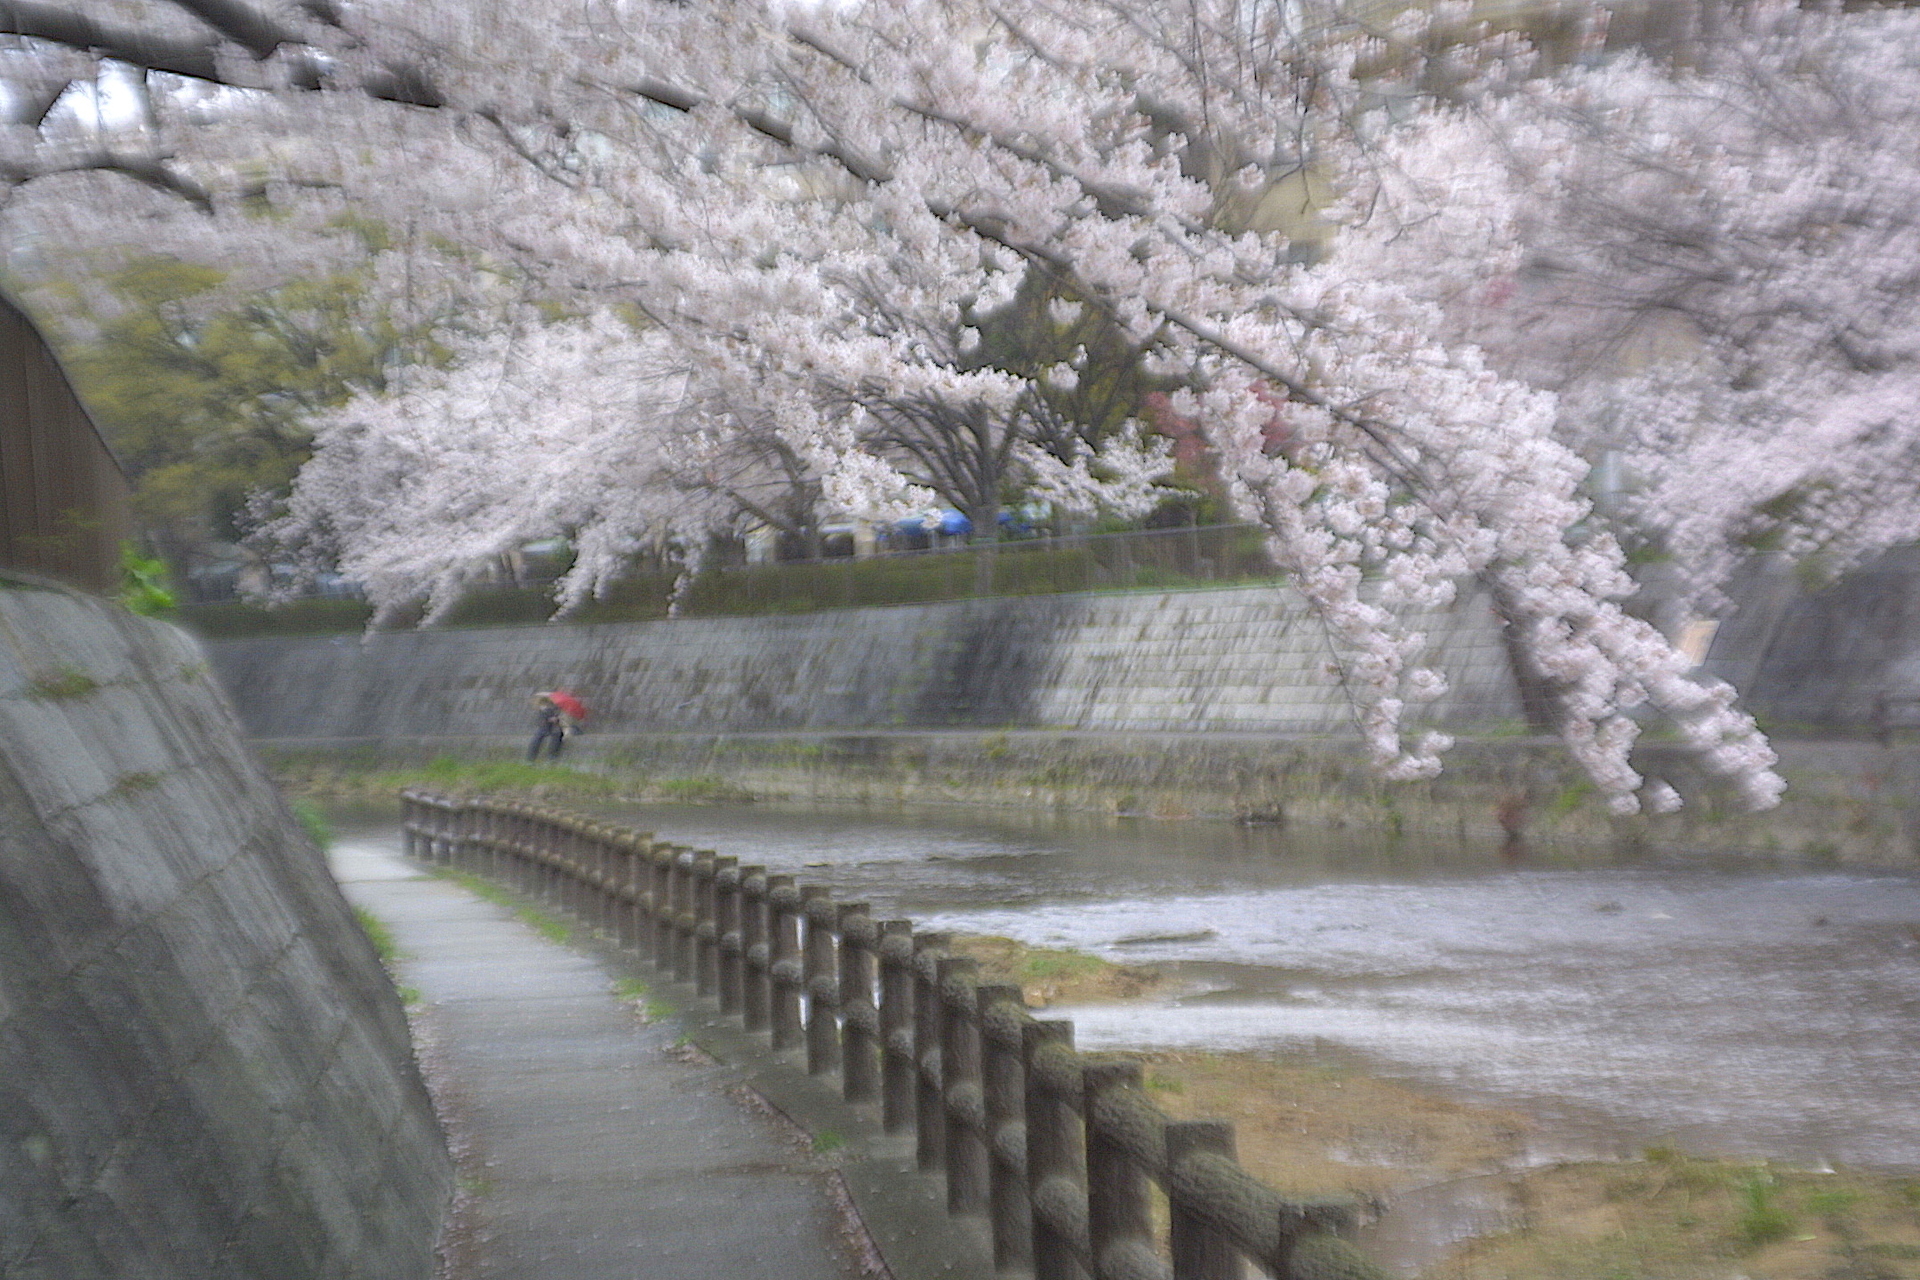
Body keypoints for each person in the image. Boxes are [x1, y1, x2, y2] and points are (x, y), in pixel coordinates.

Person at [528, 692, 567, 761]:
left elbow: (561, 718)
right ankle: (531, 757)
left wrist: (556, 719)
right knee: (536, 738)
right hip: (544, 728)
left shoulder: (555, 708)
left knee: (556, 735)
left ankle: (552, 756)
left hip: (554, 728)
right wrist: (548, 719)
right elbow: (540, 720)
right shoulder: (541, 710)